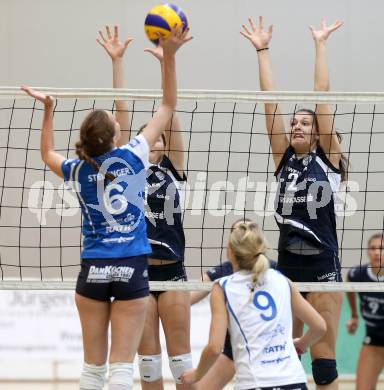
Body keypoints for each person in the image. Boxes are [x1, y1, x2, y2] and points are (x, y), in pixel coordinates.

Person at [21, 25, 191, 390]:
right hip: (131, 266)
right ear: (115, 138)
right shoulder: (133, 158)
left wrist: (48, 110)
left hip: (93, 267)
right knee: (120, 371)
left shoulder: (78, 167)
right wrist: (170, 58)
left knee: (92, 371)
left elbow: (46, 154)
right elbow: (167, 105)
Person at [241, 16, 346, 389]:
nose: (298, 126)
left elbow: (323, 97)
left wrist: (320, 45)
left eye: (305, 123)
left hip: (322, 270)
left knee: (324, 366)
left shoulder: (328, 161)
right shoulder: (283, 159)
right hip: (286, 270)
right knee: (283, 360)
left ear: (318, 133)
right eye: (295, 123)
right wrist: (262, 50)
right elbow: (270, 105)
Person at [98, 25, 194, 389]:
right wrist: (117, 62)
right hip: (138, 272)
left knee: (182, 363)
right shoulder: (126, 169)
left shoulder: (173, 168)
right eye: (147, 140)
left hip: (172, 273)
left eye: (159, 141)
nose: (153, 145)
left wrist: (166, 61)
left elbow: (171, 111)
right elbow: (120, 118)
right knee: (149, 367)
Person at [181, 221, 326, 389]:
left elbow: (214, 347)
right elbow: (320, 327)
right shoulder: (282, 280)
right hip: (293, 380)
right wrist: (302, 344)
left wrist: (197, 374)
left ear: (230, 251)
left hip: (254, 382)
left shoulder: (222, 287)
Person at [190, 218, 277, 390]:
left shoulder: (273, 271)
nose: (241, 234)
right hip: (233, 347)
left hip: (266, 346)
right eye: (237, 231)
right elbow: (188, 298)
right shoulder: (223, 271)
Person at [346, 233, 384, 390]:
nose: (376, 252)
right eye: (373, 248)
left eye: (381, 248)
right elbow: (348, 288)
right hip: (373, 341)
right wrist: (354, 315)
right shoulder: (357, 275)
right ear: (367, 251)